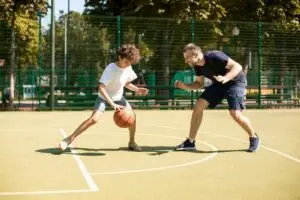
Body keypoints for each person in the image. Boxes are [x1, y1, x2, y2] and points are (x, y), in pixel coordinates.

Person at [59, 44, 149, 152]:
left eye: (129, 63)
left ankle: (132, 142)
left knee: (132, 117)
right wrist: (112, 103)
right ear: (120, 57)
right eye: (126, 62)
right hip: (104, 97)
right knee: (94, 119)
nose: (127, 65)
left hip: (118, 97)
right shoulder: (111, 68)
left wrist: (137, 89)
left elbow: (127, 83)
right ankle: (69, 139)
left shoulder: (128, 67)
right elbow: (101, 87)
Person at [174, 43, 259, 152]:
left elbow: (237, 66)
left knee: (235, 114)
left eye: (187, 58)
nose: (186, 61)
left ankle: (253, 137)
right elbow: (199, 83)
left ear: (195, 55)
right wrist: (185, 86)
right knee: (198, 104)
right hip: (219, 84)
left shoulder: (215, 56)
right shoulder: (197, 66)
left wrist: (225, 78)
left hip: (235, 82)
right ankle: (190, 142)